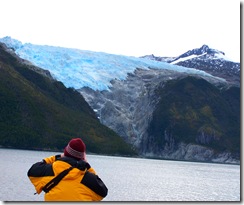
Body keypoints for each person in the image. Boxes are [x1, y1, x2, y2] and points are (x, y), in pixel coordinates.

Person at [27, 138, 108, 201]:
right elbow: (102, 191)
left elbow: (32, 170)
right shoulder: (87, 178)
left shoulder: (50, 170)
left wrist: (56, 157)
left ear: (65, 152)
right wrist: (88, 166)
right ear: (82, 157)